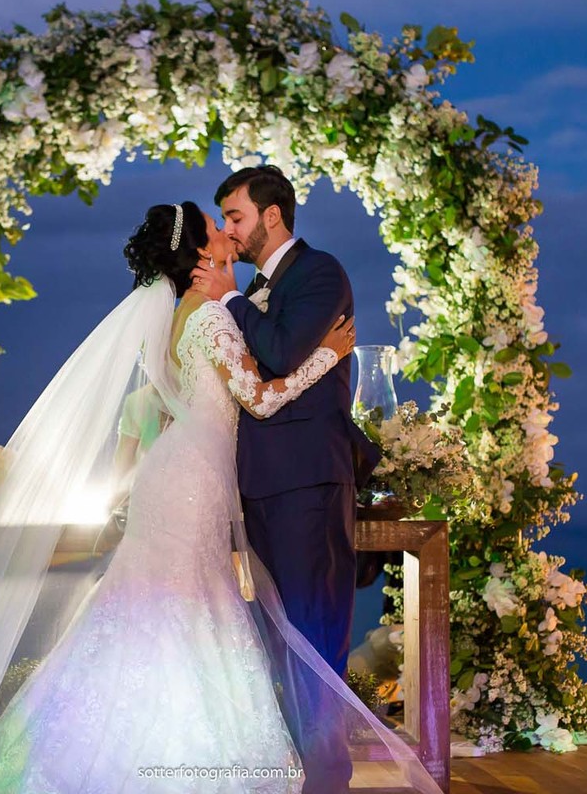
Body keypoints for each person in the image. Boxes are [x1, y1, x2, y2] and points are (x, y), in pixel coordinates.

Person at [0, 201, 440, 794]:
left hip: (180, 472)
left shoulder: (183, 311)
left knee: (156, 606)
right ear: (202, 251)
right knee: (177, 607)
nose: (228, 233)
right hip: (190, 480)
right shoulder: (209, 315)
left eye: (231, 220)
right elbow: (258, 400)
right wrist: (327, 358)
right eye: (216, 227)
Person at [191, 165, 382, 792]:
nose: (229, 230)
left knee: (313, 635)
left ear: (272, 216)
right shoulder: (256, 290)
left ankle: (327, 779)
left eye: (237, 217)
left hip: (306, 483)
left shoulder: (319, 272)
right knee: (277, 640)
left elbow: (277, 352)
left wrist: (230, 298)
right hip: (260, 487)